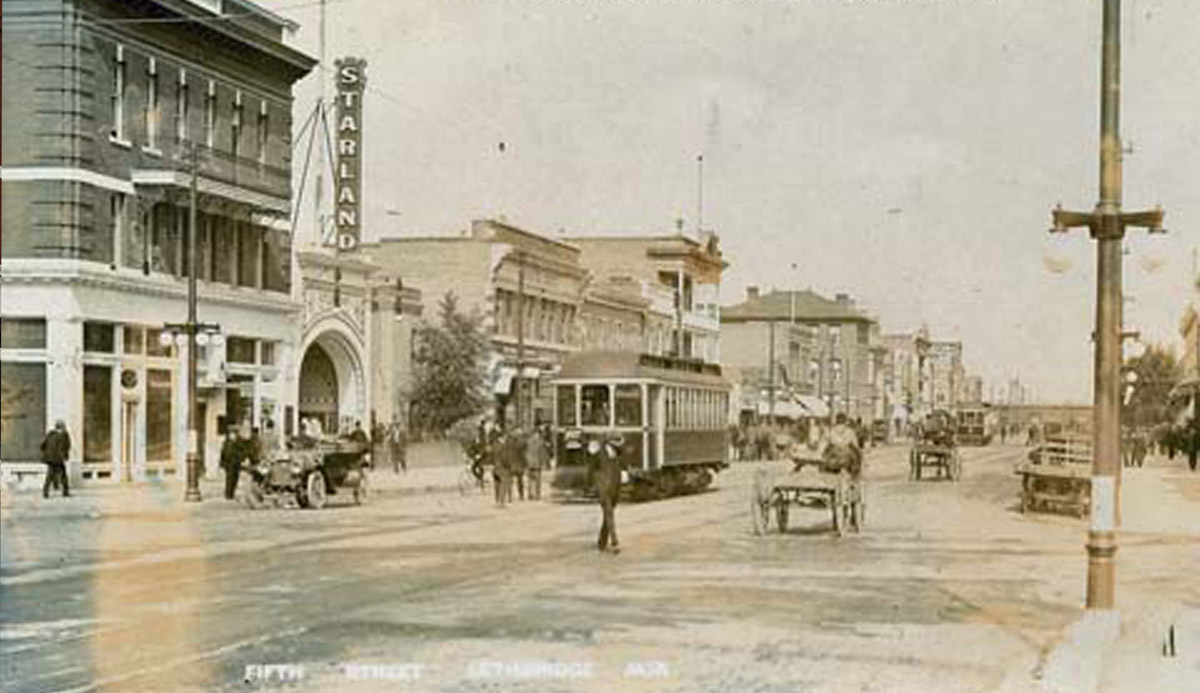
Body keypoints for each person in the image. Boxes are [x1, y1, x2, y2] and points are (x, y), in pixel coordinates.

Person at [592, 433, 623, 554]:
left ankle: (601, 542)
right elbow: (592, 470)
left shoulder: (617, 454)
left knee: (607, 517)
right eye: (616, 444)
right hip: (603, 490)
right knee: (609, 514)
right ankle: (615, 542)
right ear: (609, 443)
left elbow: (620, 470)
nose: (618, 447)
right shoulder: (599, 455)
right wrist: (594, 486)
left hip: (614, 489)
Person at [40, 420, 71, 498]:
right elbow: (66, 446)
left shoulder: (50, 434)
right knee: (63, 475)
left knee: (49, 475)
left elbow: (42, 445)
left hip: (50, 458)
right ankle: (65, 492)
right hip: (58, 458)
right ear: (62, 427)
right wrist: (65, 456)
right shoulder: (64, 435)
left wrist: (47, 453)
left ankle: (45, 492)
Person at [524, 426, 549, 501]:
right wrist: (545, 463)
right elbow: (543, 453)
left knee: (530, 479)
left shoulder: (528, 441)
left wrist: (526, 460)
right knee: (537, 480)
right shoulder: (541, 442)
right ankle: (537, 495)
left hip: (529, 462)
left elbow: (525, 452)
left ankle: (531, 494)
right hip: (537, 463)